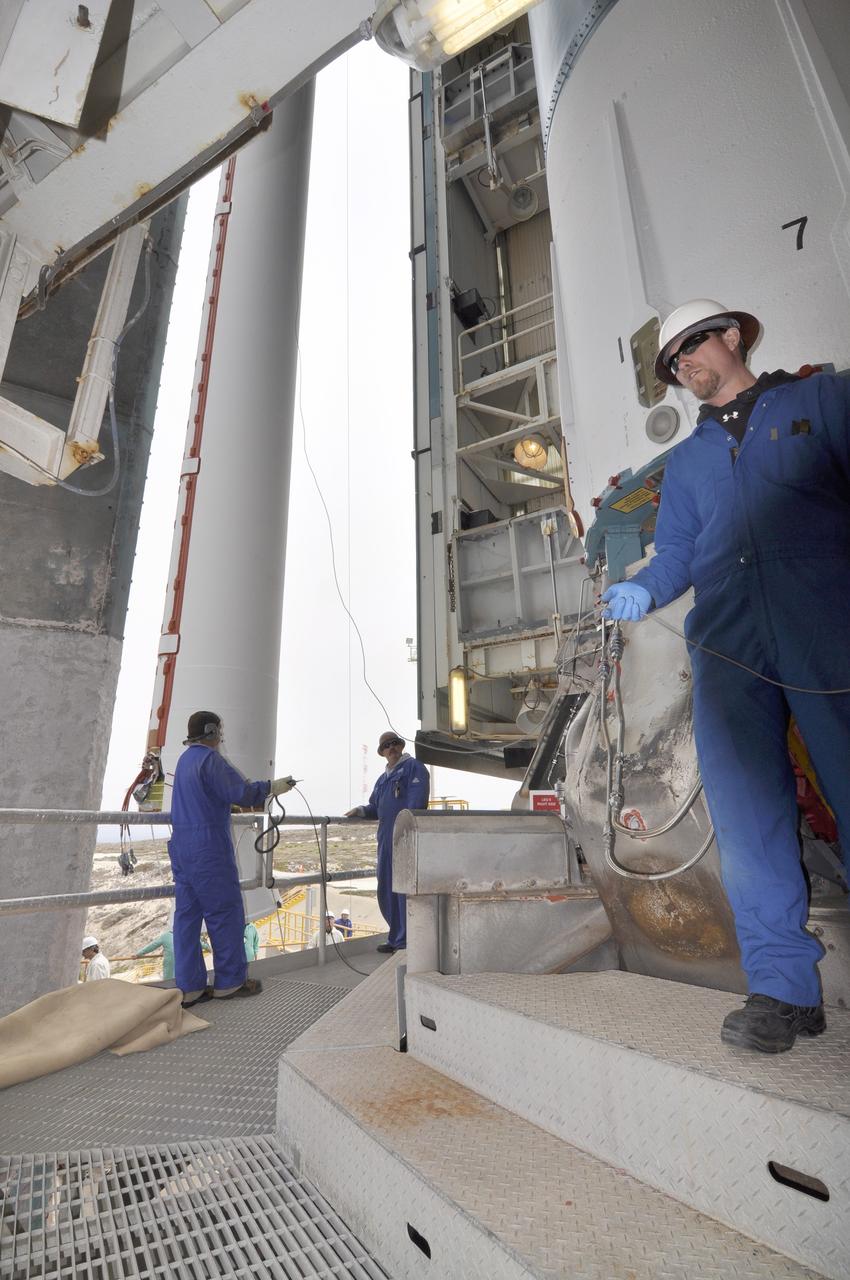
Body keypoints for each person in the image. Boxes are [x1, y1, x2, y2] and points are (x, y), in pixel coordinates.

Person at [602, 299, 849, 1053]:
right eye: (673, 363)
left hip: (825, 621)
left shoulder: (820, 401)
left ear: (732, 336)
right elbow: (678, 550)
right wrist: (645, 584)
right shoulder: (689, 461)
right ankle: (782, 990)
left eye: (690, 349)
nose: (683, 367)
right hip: (728, 644)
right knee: (747, 819)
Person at [168, 710, 296, 1008]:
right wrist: (271, 787)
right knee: (224, 912)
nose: (222, 736)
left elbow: (207, 797)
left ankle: (189, 988)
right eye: (220, 730)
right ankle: (229, 982)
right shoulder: (209, 760)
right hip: (207, 848)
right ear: (212, 731)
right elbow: (240, 791)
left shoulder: (184, 760)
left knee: (187, 917)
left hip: (182, 846)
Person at [345, 731, 430, 953]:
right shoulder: (382, 780)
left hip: (406, 838)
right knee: (387, 889)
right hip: (386, 841)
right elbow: (376, 807)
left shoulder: (414, 768)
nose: (391, 748)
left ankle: (408, 941)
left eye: (394, 744)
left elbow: (416, 803)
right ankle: (396, 937)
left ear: (400, 746)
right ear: (382, 752)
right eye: (386, 746)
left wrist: (406, 830)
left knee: (405, 890)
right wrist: (362, 810)